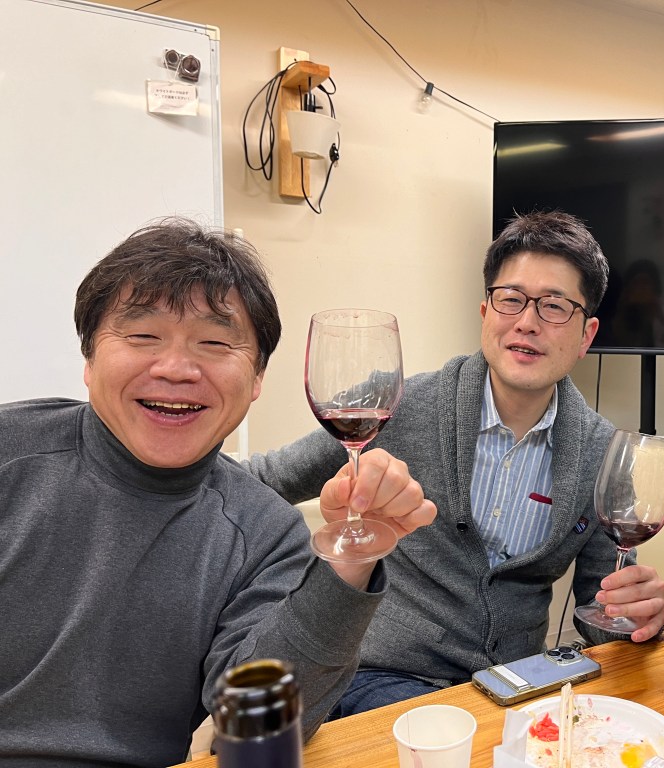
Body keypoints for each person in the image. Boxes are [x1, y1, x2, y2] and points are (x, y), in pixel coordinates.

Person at [0, 219, 435, 767]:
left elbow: (258, 729)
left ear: (256, 379)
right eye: (143, 336)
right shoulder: (11, 452)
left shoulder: (264, 533)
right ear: (89, 360)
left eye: (214, 343)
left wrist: (351, 562)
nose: (176, 368)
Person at [246, 210, 664, 716]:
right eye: (511, 299)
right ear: (486, 312)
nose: (527, 321)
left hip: (517, 687)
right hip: (384, 678)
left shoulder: (603, 452)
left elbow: (601, 613)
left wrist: (637, 616)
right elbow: (262, 482)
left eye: (555, 306)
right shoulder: (394, 403)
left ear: (586, 335)